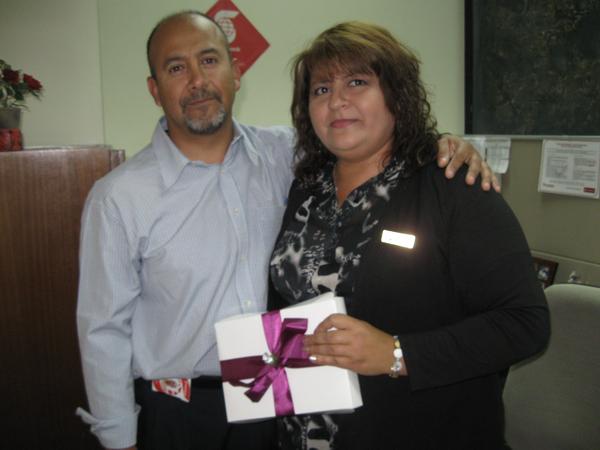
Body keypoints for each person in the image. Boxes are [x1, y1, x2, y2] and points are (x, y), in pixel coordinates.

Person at [76, 11, 495, 450]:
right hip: (182, 411)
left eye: (209, 60)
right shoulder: (119, 197)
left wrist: (443, 146)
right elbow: (103, 329)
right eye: (176, 68)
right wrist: (119, 438)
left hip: (279, 397)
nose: (197, 80)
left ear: (236, 73)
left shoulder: (286, 154)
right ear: (154, 89)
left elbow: (366, 138)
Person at [268, 21, 550, 450]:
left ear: (396, 95)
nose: (337, 100)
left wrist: (398, 353)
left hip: (421, 429)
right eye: (321, 89)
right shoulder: (305, 190)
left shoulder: (451, 185)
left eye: (357, 82)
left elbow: (525, 322)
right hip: (304, 432)